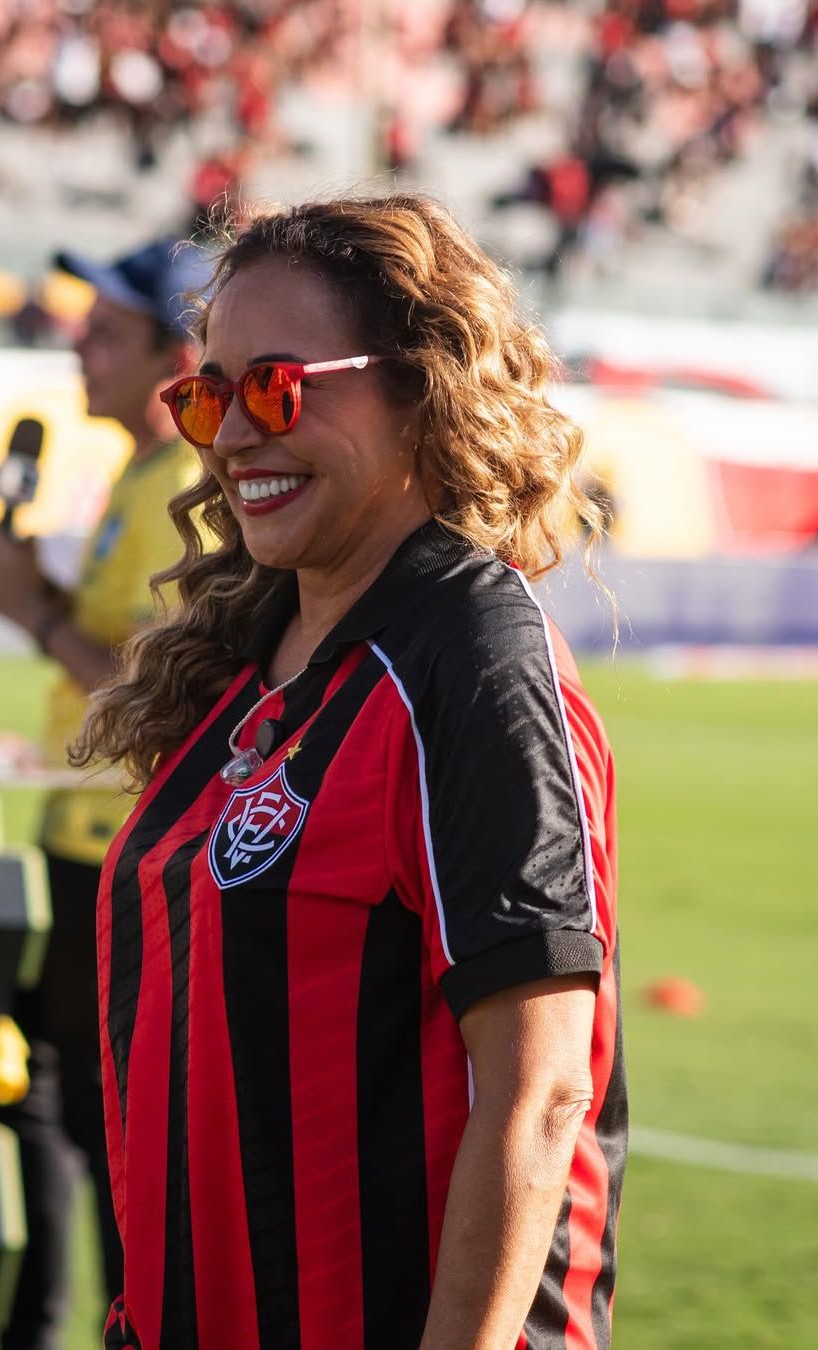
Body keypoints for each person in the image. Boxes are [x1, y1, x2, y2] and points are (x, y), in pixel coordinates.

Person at [73, 194, 626, 1350]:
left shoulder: (469, 662)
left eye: (277, 386)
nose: (230, 436)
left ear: (420, 385)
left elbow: (538, 1099)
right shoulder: (246, 652)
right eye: (207, 394)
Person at [0, 235, 207, 1350]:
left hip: (127, 851)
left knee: (102, 1130)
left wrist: (34, 614)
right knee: (45, 1105)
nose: (78, 349)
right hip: (86, 835)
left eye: (105, 333)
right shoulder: (140, 471)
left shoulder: (190, 484)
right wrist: (42, 596)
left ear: (175, 354)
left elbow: (160, 683)